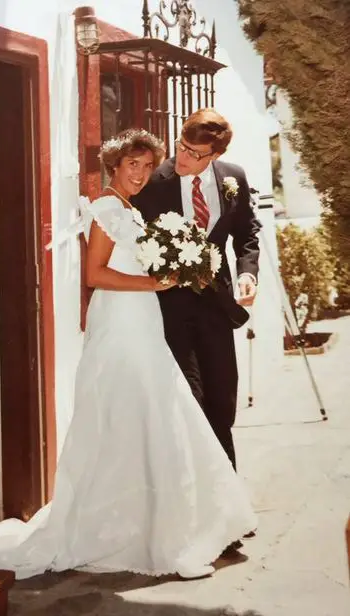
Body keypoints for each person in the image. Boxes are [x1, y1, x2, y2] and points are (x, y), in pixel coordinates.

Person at [0, 128, 256, 581]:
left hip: (141, 317)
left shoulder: (127, 206)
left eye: (146, 166)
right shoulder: (107, 207)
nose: (141, 174)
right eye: (132, 166)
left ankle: (161, 521)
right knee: (148, 413)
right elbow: (94, 273)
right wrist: (152, 283)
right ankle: (166, 539)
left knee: (149, 416)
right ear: (114, 167)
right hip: (122, 321)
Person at [133, 109, 261, 471]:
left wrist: (248, 272)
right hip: (169, 309)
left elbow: (247, 231)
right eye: (181, 147)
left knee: (222, 400)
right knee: (191, 399)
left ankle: (227, 497)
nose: (183, 157)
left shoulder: (233, 178)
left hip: (217, 307)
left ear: (215, 155)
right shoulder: (154, 182)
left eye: (194, 153)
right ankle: (205, 503)